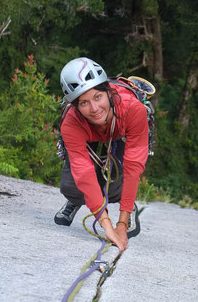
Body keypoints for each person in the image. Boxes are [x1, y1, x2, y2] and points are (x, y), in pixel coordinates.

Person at [54, 57, 149, 252]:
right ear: (75, 106)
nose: (94, 109)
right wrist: (106, 225)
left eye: (98, 97)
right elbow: (83, 172)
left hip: (120, 131)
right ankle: (75, 200)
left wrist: (121, 224)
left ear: (108, 92)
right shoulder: (71, 123)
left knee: (117, 187)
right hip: (87, 135)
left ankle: (129, 208)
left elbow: (133, 167)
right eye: (84, 103)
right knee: (71, 186)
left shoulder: (133, 110)